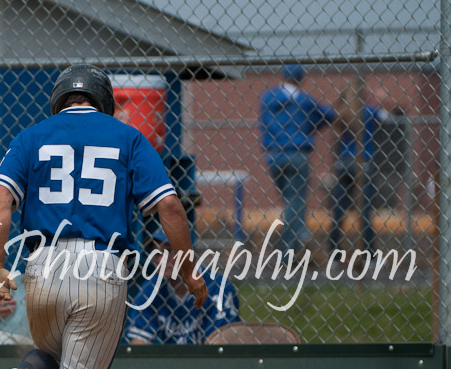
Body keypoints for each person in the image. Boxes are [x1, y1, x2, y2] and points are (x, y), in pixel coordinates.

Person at [0, 64, 207, 369]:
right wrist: (188, 268)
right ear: (102, 101)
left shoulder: (31, 137)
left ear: (60, 98)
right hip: (101, 269)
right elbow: (168, 206)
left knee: (53, 356)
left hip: (41, 268)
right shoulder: (126, 137)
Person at [259, 65, 336, 253]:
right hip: (298, 153)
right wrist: (309, 127)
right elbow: (329, 115)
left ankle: (298, 237)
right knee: (295, 201)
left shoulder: (269, 98)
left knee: (289, 200)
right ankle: (291, 246)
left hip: (274, 155)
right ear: (301, 79)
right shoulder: (304, 101)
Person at [126, 229, 240, 345]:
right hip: (171, 360)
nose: (161, 260)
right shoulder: (151, 289)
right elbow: (139, 342)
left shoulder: (217, 287)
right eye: (156, 254)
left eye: (168, 252)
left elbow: (223, 342)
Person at [329, 85, 389, 257]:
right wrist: (381, 101)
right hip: (364, 162)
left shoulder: (341, 113)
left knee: (338, 212)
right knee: (365, 212)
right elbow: (386, 117)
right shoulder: (369, 112)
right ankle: (370, 256)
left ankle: (334, 254)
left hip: (343, 163)